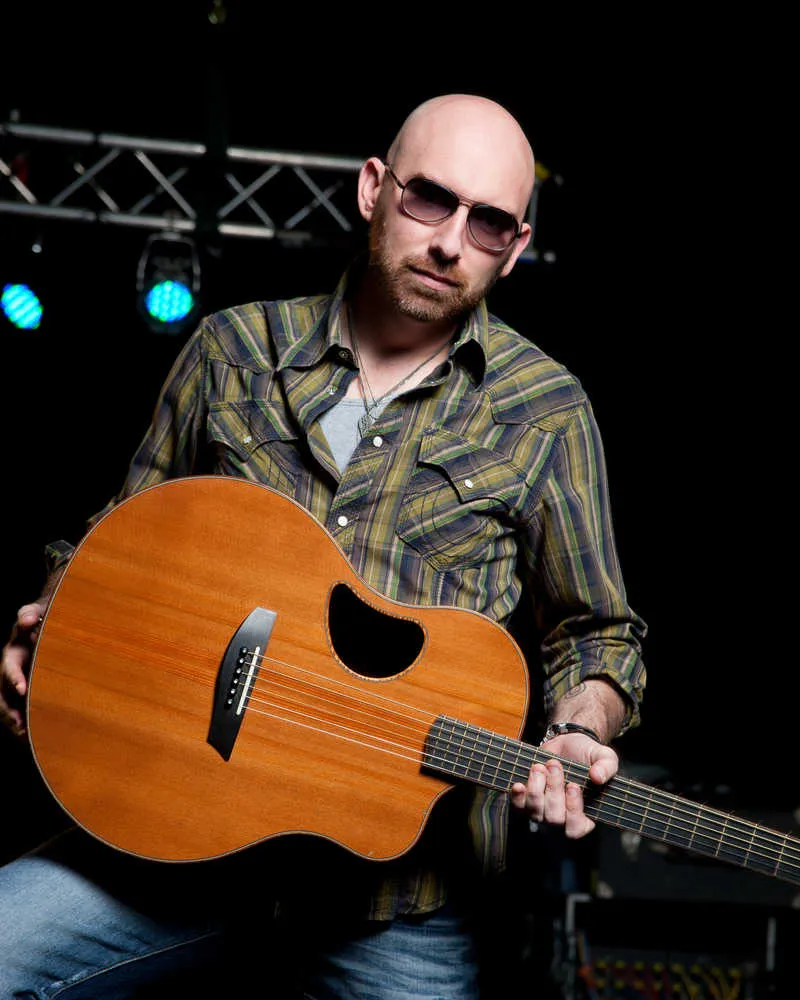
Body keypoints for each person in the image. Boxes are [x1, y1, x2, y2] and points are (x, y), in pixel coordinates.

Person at [0, 93, 646, 999]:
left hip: (395, 912)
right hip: (172, 843)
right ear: (374, 189)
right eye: (430, 199)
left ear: (518, 244)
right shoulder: (232, 351)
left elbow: (598, 634)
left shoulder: (547, 413)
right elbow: (120, 541)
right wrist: (51, 617)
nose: (450, 242)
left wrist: (579, 730)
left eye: (489, 222)